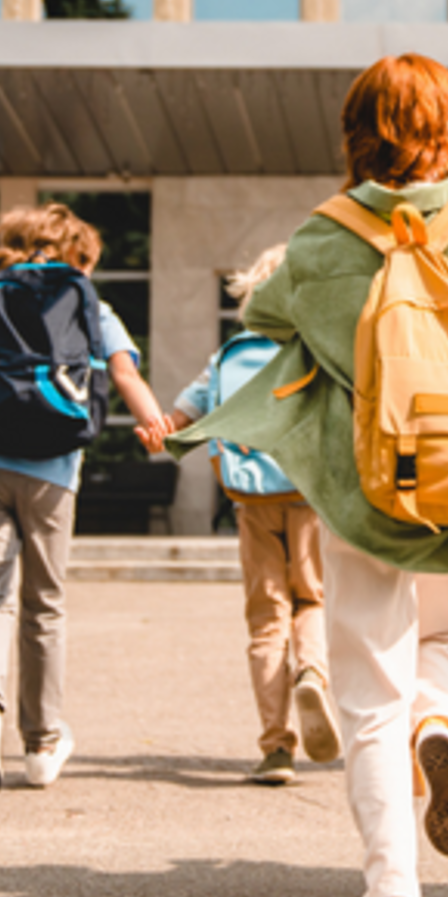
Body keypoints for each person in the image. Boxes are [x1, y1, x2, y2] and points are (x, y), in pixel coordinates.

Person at [166, 53, 448, 897]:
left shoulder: (324, 237)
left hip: (363, 482)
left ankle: (390, 884)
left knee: (368, 682)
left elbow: (263, 322)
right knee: (444, 634)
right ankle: (442, 724)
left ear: (355, 133)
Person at [0, 203, 170, 801]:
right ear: (79, 258)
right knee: (43, 605)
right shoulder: (94, 308)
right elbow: (124, 376)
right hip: (51, 472)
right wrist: (155, 427)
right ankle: (42, 745)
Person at [149, 244, 340, 787]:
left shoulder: (230, 355)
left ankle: (276, 747)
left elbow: (178, 421)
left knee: (266, 618)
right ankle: (312, 672)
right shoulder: (317, 349)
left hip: (251, 500)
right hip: (308, 495)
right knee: (312, 600)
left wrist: (156, 431)